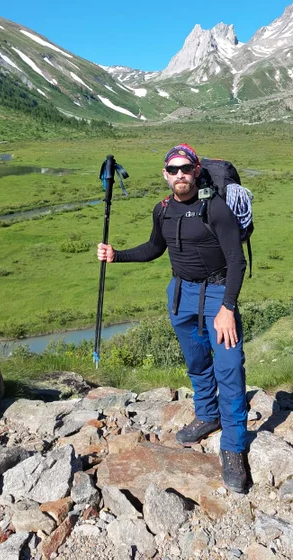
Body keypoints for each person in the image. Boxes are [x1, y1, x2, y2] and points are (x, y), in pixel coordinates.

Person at [97, 143, 249, 493]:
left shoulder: (217, 210)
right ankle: (208, 415)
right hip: (179, 295)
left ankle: (234, 447)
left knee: (229, 368)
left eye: (186, 169)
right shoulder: (162, 210)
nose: (180, 175)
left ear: (197, 171)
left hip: (217, 296)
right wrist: (116, 255)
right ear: (165, 175)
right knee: (197, 364)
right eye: (173, 170)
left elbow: (236, 262)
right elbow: (153, 249)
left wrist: (227, 307)